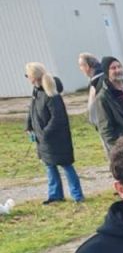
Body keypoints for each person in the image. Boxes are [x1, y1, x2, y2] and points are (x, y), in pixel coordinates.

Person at [24, 63, 84, 206]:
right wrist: (29, 126)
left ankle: (77, 195)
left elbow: (58, 117)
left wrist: (45, 133)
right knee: (49, 166)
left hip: (55, 139)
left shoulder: (51, 94)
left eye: (28, 75)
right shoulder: (36, 92)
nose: (27, 78)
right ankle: (55, 195)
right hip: (43, 138)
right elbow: (31, 110)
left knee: (66, 166)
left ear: (34, 77)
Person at [90, 56, 123, 152]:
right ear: (107, 72)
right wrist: (118, 149)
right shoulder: (103, 98)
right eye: (113, 68)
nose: (118, 70)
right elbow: (105, 129)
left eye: (119, 67)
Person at [77, 52, 110, 157]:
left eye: (81, 65)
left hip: (106, 126)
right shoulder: (101, 78)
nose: (80, 69)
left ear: (87, 66)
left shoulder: (98, 82)